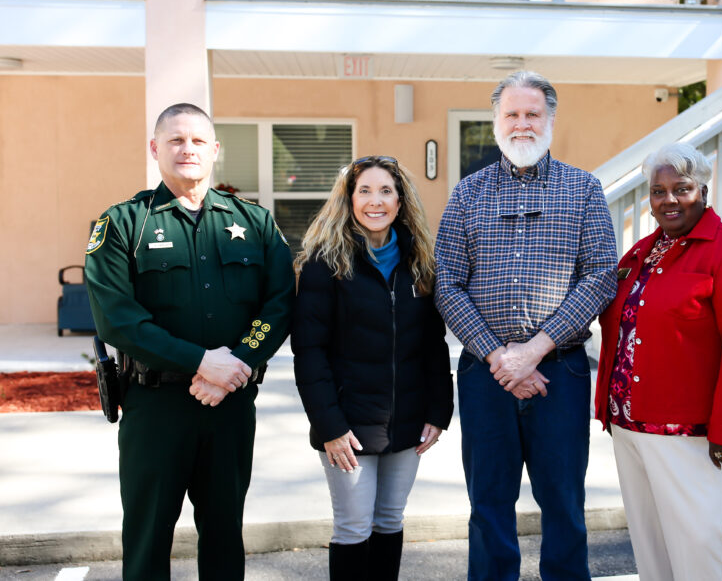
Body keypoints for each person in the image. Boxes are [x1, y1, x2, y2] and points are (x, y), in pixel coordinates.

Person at [84, 103, 294, 580]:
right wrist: (202, 362)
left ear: (215, 151)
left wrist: (235, 365)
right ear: (154, 149)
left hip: (231, 405)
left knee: (224, 534)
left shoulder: (255, 223)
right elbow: (118, 319)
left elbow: (279, 304)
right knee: (147, 535)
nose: (187, 149)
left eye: (198, 140)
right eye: (175, 140)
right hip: (155, 408)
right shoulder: (122, 224)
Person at [434, 71, 618, 580]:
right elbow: (446, 283)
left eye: (532, 113)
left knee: (563, 502)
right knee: (488, 502)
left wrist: (533, 350)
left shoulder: (583, 189)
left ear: (550, 120)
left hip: (558, 374)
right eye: (511, 114)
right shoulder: (467, 193)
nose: (522, 124)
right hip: (484, 375)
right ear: (496, 122)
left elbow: (601, 275)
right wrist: (500, 356)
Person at [594, 142, 722, 580]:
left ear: (704, 191)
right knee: (652, 548)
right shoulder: (641, 253)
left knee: (700, 549)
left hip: (691, 433)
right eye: (659, 191)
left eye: (682, 188)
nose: (669, 199)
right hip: (629, 425)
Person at [291, 155, 454, 581]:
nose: (375, 201)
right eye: (364, 191)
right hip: (347, 425)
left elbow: (433, 345)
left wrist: (439, 412)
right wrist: (329, 426)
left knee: (390, 522)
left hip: (408, 420)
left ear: (401, 201)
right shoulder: (323, 263)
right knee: (354, 527)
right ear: (349, 199)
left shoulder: (420, 261)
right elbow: (309, 352)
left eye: (386, 191)